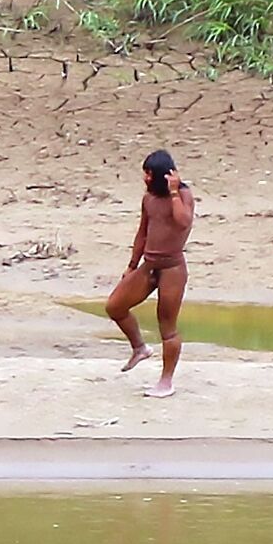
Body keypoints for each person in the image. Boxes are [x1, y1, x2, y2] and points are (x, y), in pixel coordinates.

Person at [105, 150, 195, 398]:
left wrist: (175, 191)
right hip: (150, 264)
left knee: (167, 326)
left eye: (149, 174)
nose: (145, 178)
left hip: (172, 268)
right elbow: (142, 232)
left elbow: (183, 221)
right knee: (115, 306)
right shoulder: (149, 198)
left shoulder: (183, 195)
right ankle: (139, 348)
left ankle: (166, 381)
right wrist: (132, 266)